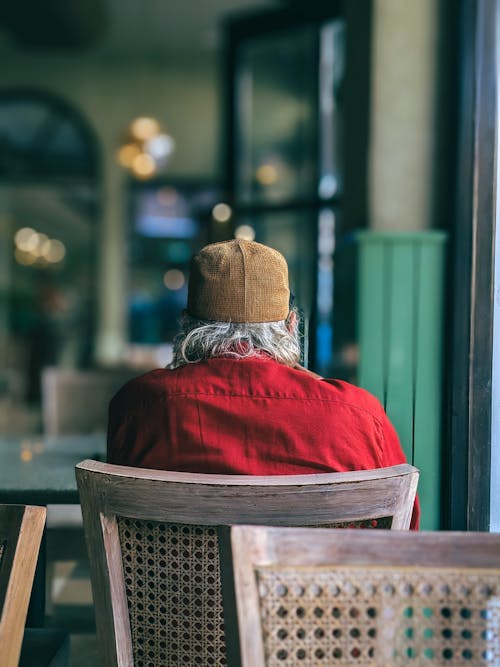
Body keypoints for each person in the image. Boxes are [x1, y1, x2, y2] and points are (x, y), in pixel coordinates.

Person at [107, 239, 419, 529]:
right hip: (318, 588)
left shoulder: (140, 405)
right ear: (292, 324)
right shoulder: (358, 413)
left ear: (187, 323)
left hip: (170, 588)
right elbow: (404, 526)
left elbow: (123, 523)